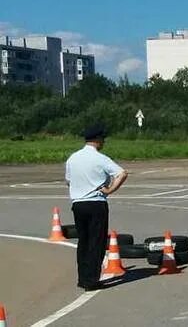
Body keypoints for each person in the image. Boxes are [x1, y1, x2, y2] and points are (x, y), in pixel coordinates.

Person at [65, 124, 128, 291]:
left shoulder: (73, 158)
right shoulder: (100, 158)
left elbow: (68, 180)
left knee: (83, 241)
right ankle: (92, 280)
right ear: (98, 139)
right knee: (96, 242)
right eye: (103, 139)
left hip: (77, 204)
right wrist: (110, 190)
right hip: (95, 202)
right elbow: (122, 173)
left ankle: (83, 277)